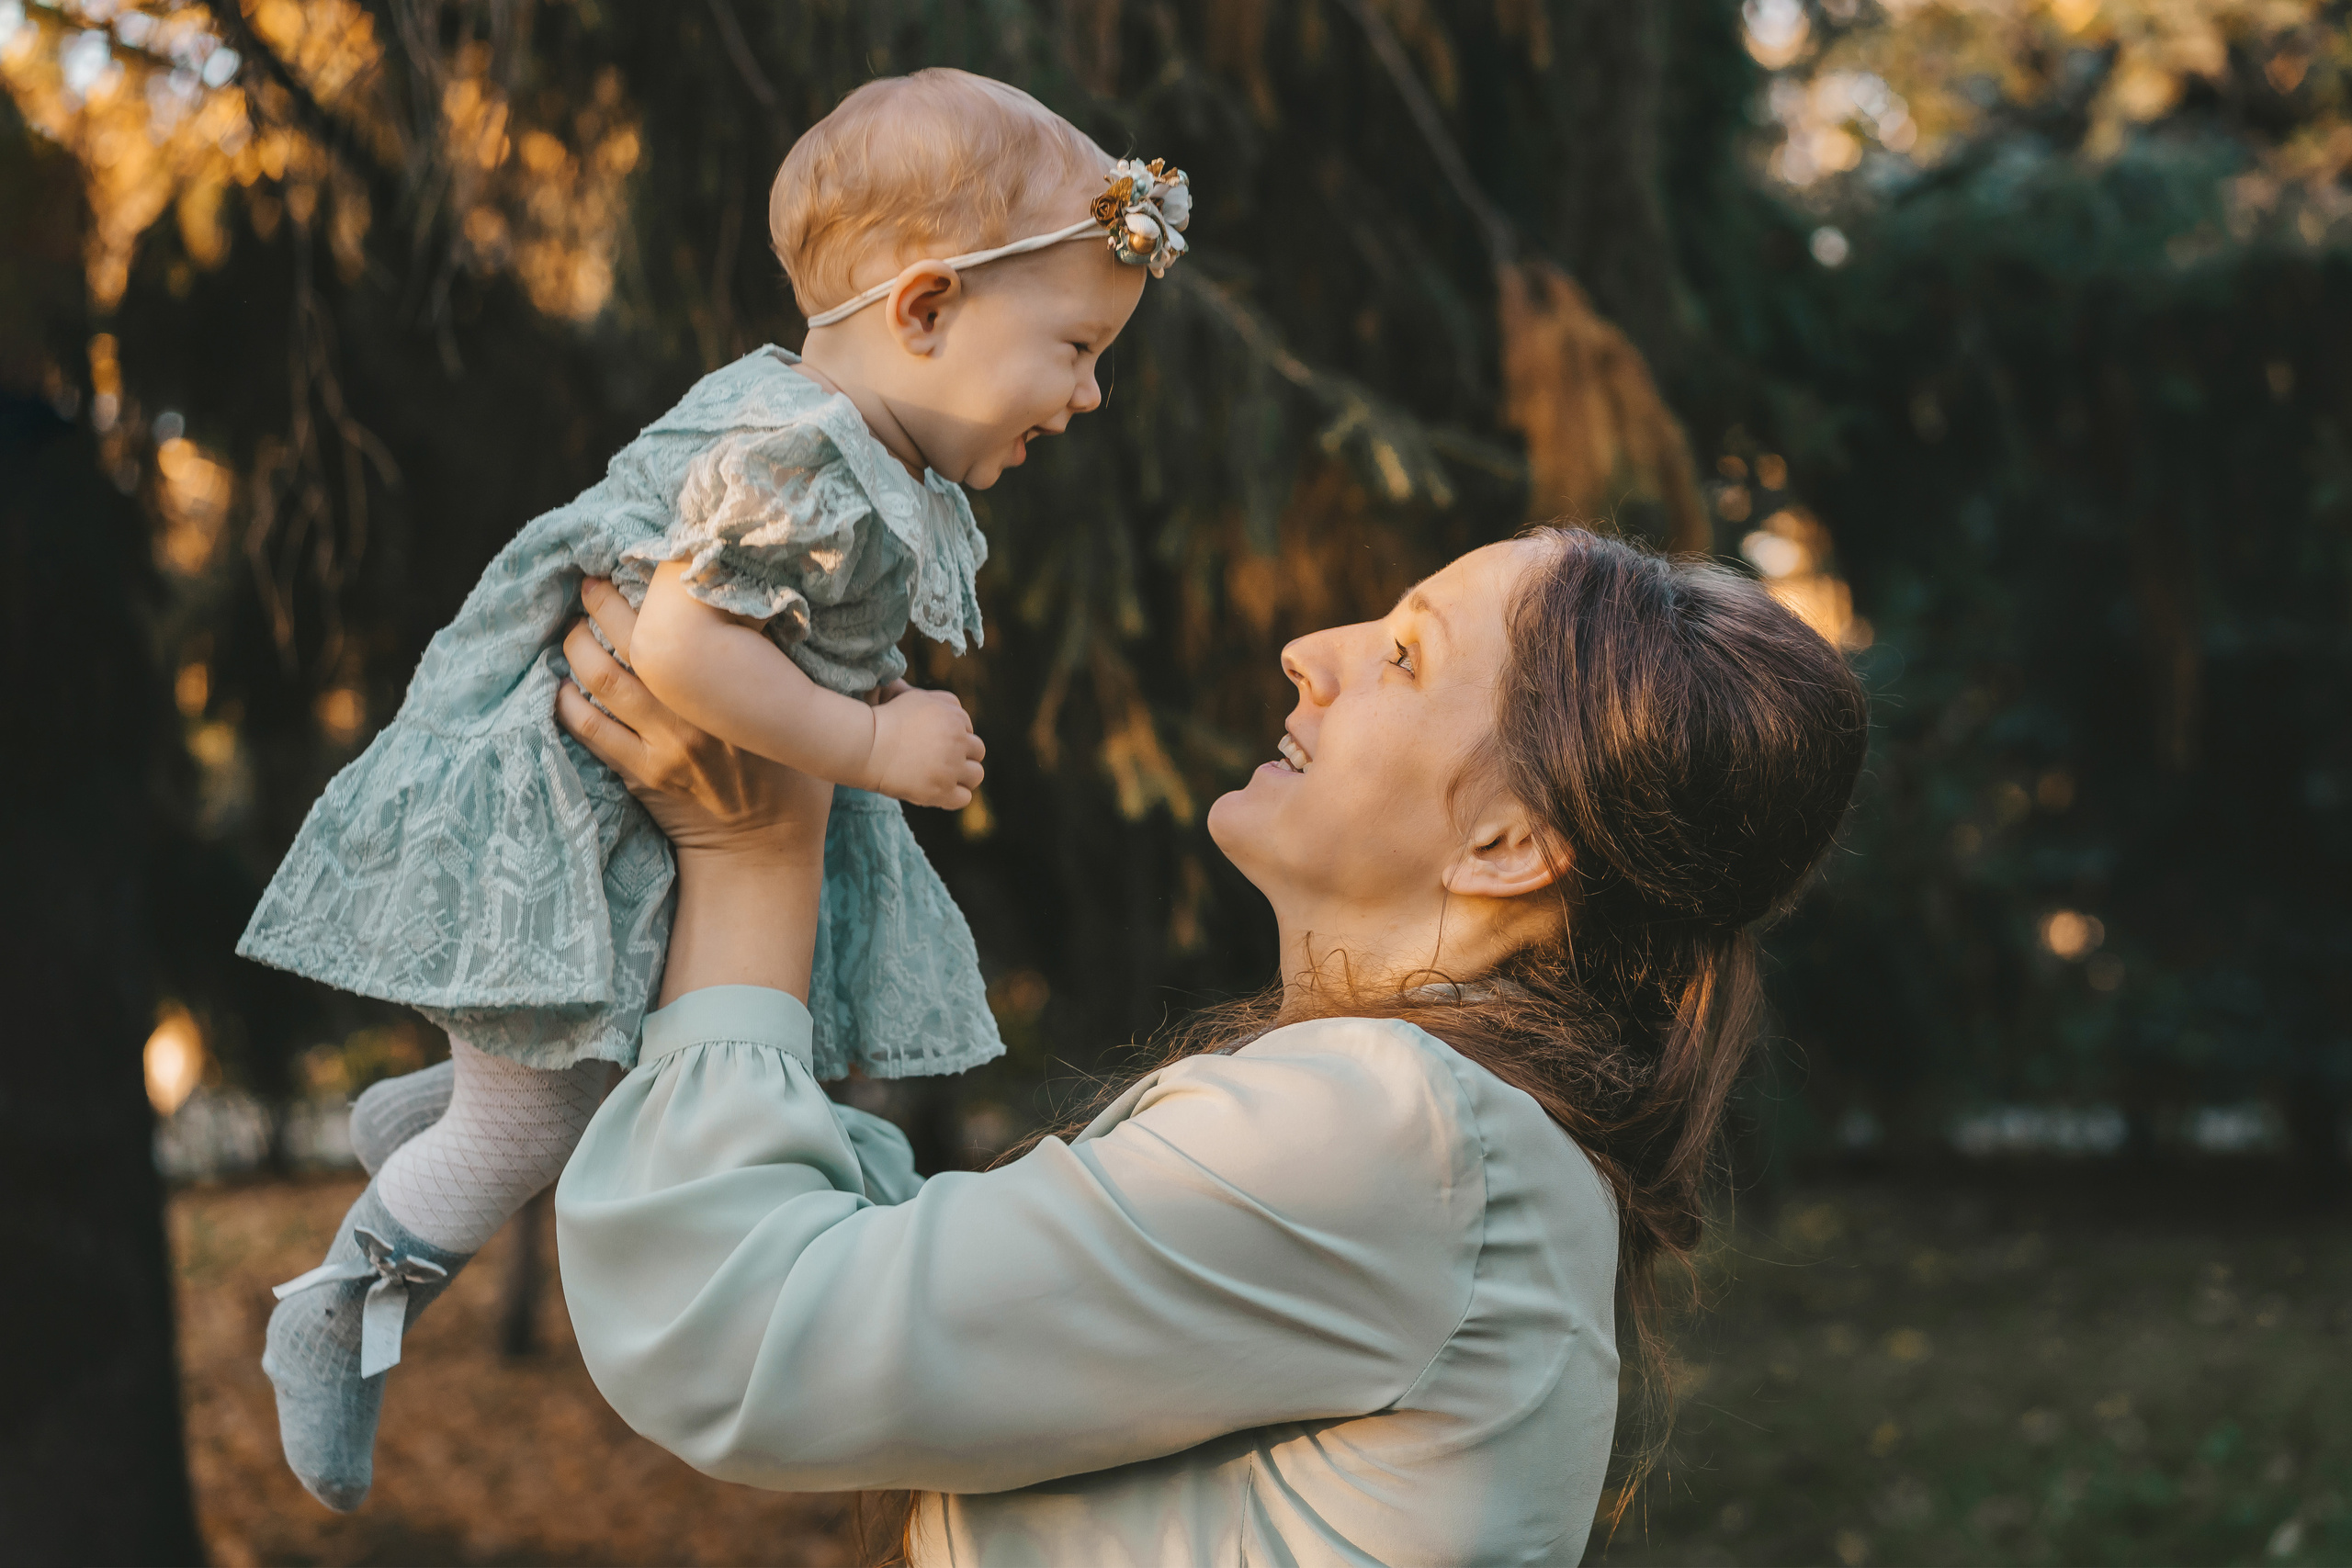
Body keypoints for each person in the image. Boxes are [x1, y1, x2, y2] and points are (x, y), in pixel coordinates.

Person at [544, 526, 1871, 1565]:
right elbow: (908, 1284)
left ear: (1508, 847)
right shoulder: (1438, 1138)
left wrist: (753, 854)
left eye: (1406, 655)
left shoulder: (1392, 1132)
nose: (1311, 647)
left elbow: (742, 1330)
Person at [238, 68, 1189, 1511]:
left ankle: (433, 1118)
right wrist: (867, 746)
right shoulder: (798, 456)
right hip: (564, 824)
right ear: (924, 310)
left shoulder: (842, 438)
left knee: (622, 1059)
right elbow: (680, 641)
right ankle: (344, 1303)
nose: (1090, 392)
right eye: (1073, 346)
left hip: (615, 821)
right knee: (541, 1124)